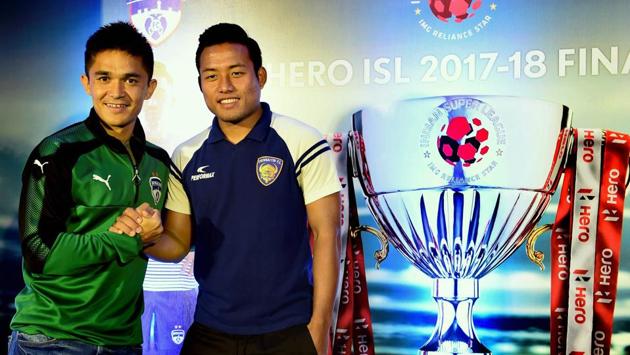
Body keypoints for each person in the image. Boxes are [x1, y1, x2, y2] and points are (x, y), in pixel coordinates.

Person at [111, 23, 341, 355]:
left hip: (289, 331)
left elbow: (326, 235)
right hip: (211, 331)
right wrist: (141, 235)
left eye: (236, 73)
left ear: (259, 76)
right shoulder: (186, 154)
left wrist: (320, 327)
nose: (225, 86)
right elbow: (177, 244)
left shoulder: (302, 141)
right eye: (212, 76)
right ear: (201, 85)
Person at [8, 21, 171, 354]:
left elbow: (171, 240)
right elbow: (39, 251)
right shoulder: (56, 152)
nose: (117, 92)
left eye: (131, 79)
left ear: (149, 87)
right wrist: (124, 241)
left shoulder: (159, 162)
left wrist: (154, 231)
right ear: (86, 83)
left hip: (123, 342)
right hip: (51, 338)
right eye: (104, 78)